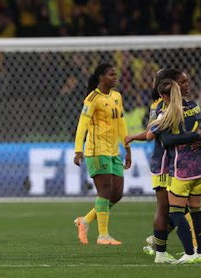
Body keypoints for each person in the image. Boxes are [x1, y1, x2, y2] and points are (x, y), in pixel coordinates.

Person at [125, 69, 200, 263]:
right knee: (172, 207)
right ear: (171, 86)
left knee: (179, 206)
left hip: (174, 163)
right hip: (166, 163)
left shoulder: (182, 105)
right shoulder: (162, 105)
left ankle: (159, 243)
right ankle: (172, 248)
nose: (186, 85)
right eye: (182, 82)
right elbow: (152, 133)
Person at [147, 79, 201, 264]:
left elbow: (165, 140)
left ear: (164, 96)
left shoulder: (167, 114)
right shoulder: (194, 106)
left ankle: (189, 253)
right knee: (196, 209)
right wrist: (198, 136)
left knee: (175, 212)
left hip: (182, 168)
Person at [73, 63, 132, 245]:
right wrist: (78, 150)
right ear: (101, 77)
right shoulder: (92, 99)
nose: (115, 77)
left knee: (117, 193)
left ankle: (85, 221)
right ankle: (103, 235)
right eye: (111, 75)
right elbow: (82, 125)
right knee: (105, 190)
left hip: (114, 150)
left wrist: (127, 148)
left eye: (116, 74)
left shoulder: (117, 96)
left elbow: (121, 123)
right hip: (96, 150)